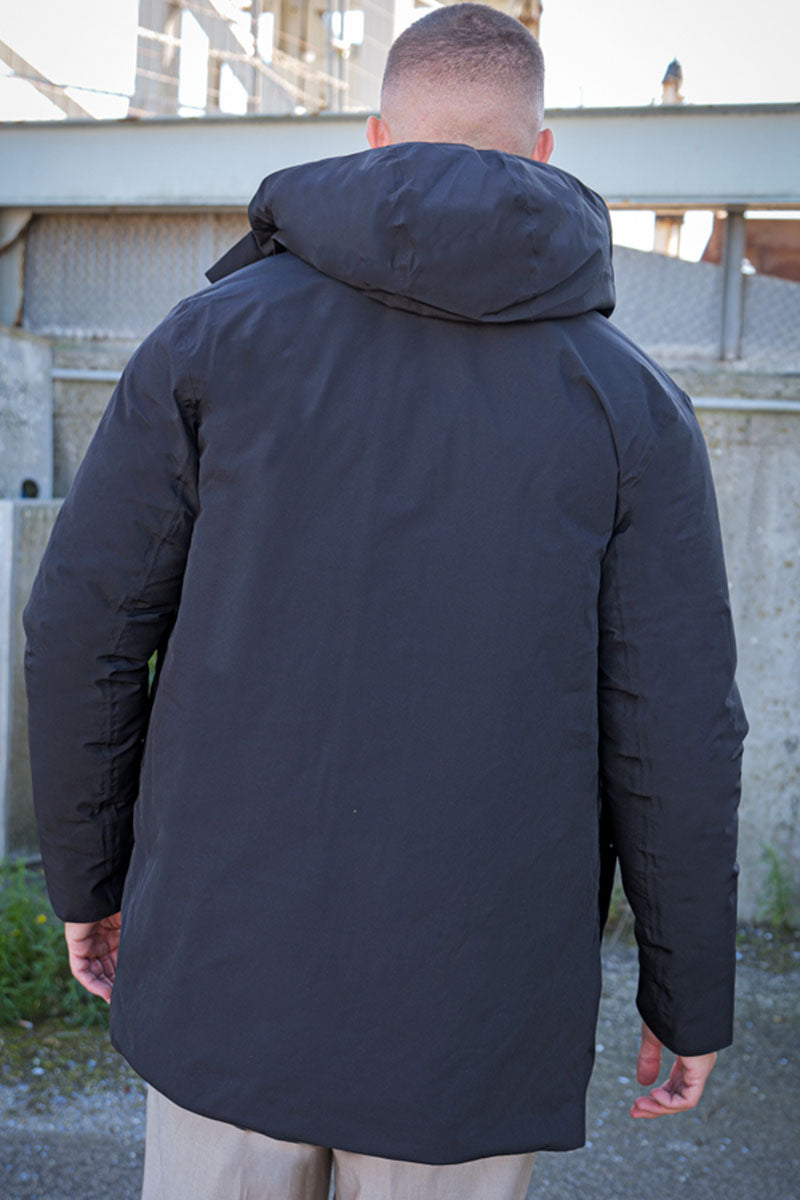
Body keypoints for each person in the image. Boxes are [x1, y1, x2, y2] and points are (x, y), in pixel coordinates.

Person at [23, 5, 747, 1198]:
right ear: (541, 152)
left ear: (375, 138)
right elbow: (675, 729)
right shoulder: (629, 404)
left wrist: (91, 884)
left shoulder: (210, 342)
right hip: (467, 1024)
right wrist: (687, 991)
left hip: (223, 979)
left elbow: (80, 632)